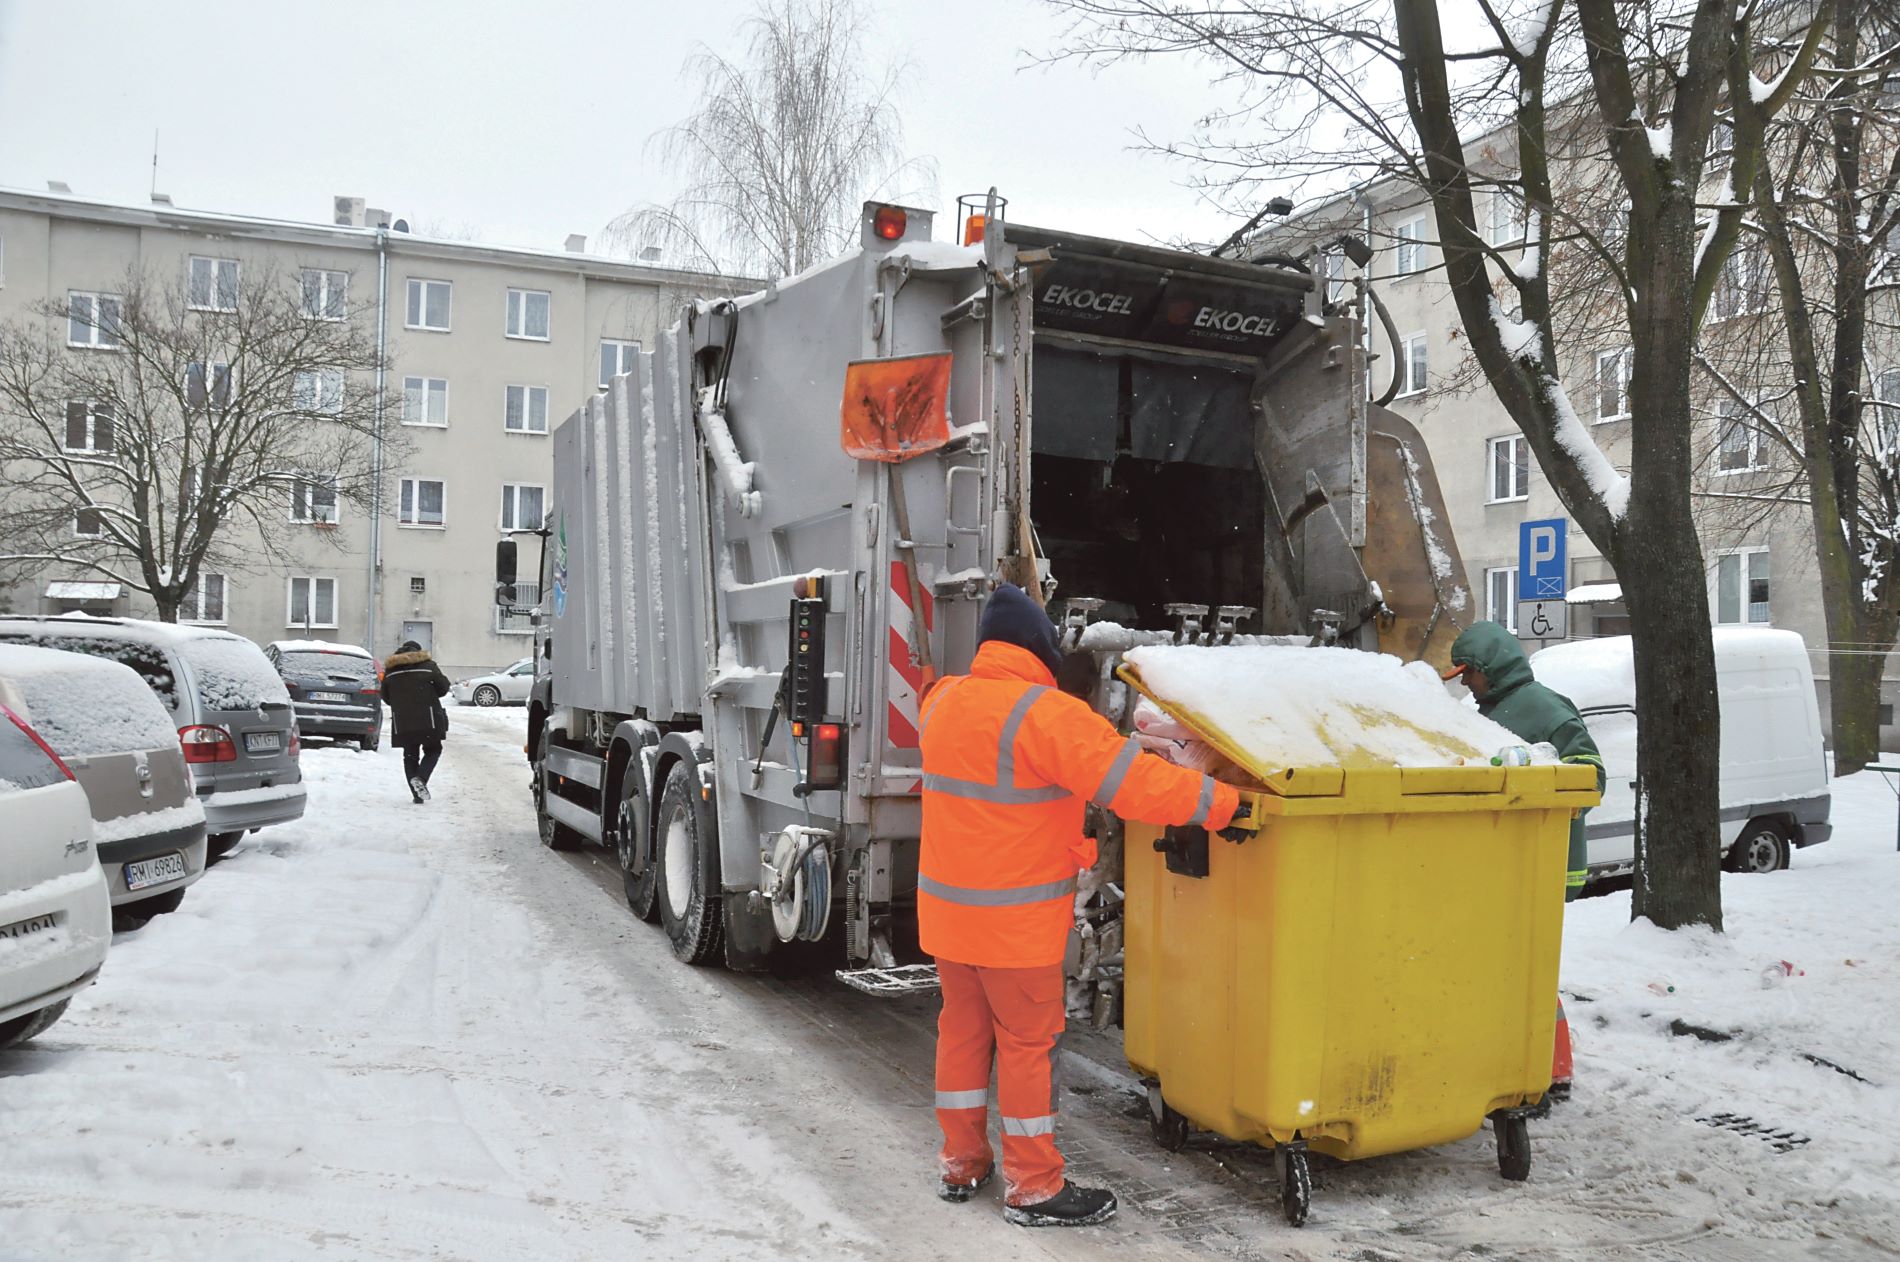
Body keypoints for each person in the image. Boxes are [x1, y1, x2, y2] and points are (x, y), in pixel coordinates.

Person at [919, 584, 1241, 1227]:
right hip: (1014, 927)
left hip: (950, 919)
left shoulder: (945, 701)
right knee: (1027, 1048)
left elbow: (1009, 777)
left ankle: (962, 1161)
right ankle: (1034, 1186)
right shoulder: (1045, 714)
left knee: (961, 1036)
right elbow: (1133, 786)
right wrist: (1224, 804)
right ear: (1039, 649)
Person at [1444, 620, 1605, 1100]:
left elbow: (1592, 778)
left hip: (1540, 866)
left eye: (1468, 674)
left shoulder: (1544, 710)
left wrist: (1531, 779)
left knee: (1527, 976)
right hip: (1509, 866)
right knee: (1513, 972)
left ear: (1487, 670)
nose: (1466, 685)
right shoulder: (1495, 709)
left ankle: (1550, 1075)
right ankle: (1520, 1067)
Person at [382, 639, 450, 804]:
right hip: (429, 719)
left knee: (410, 756)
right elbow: (443, 688)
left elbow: (386, 697)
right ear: (418, 652)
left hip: (403, 721)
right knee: (433, 749)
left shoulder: (391, 671)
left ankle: (417, 794)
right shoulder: (428, 666)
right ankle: (421, 778)